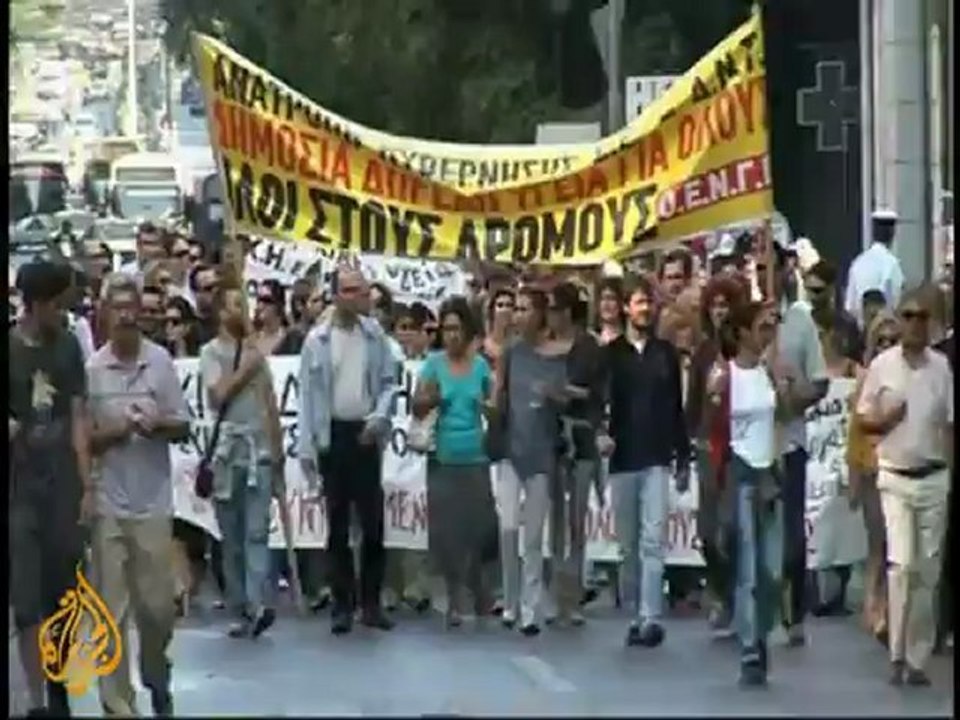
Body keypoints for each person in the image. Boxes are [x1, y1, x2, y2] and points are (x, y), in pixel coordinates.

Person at [86, 273, 190, 716]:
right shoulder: (93, 370)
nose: (126, 316)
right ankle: (117, 702)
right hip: (108, 502)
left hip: (153, 503)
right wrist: (116, 430)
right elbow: (85, 439)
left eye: (132, 308)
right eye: (118, 308)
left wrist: (156, 424)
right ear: (104, 314)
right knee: (110, 610)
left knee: (157, 609)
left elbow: (182, 425)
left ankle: (155, 670)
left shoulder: (160, 362)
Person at [856, 288, 953, 686]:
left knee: (928, 570)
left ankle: (917, 657)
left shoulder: (941, 368)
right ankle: (896, 652)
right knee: (902, 564)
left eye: (922, 317)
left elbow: (950, 424)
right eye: (908, 316)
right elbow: (863, 419)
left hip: (934, 475)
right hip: (895, 475)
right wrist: (885, 421)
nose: (915, 324)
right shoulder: (882, 366)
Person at [10, 260, 93, 717]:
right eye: (58, 305)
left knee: (62, 591)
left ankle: (58, 681)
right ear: (37, 304)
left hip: (61, 482)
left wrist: (86, 483)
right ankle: (37, 699)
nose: (63, 313)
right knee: (26, 599)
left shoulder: (68, 347)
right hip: (18, 486)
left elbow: (78, 415)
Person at [297, 267, 398, 635]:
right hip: (334, 434)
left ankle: (371, 603)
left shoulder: (375, 336)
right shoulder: (318, 341)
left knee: (372, 523)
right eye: (352, 291)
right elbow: (307, 397)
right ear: (337, 295)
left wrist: (380, 418)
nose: (360, 297)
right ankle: (342, 604)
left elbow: (388, 382)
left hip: (365, 432)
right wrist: (307, 446)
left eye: (363, 290)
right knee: (337, 524)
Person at [603, 275, 690, 647]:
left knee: (653, 540)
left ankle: (651, 616)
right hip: (623, 458)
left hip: (656, 456)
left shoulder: (665, 354)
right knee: (628, 545)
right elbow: (600, 403)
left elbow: (675, 406)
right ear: (626, 308)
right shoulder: (611, 355)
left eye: (649, 303)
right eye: (639, 302)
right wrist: (600, 434)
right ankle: (635, 612)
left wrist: (682, 454)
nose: (645, 309)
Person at [706, 301, 786, 687]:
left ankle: (763, 631)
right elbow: (711, 428)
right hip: (740, 471)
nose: (768, 334)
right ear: (741, 333)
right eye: (762, 327)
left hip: (770, 471)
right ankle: (751, 647)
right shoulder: (726, 374)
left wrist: (788, 385)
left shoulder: (770, 371)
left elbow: (787, 412)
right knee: (749, 565)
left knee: (773, 566)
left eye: (772, 327)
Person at [199, 286, 286, 639]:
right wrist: (245, 369)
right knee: (231, 536)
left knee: (256, 531)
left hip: (257, 451)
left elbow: (269, 403)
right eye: (236, 304)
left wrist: (277, 452)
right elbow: (217, 396)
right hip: (226, 453)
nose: (244, 310)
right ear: (222, 312)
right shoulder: (210, 353)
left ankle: (258, 602)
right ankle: (239, 606)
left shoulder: (257, 355)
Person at [413, 297, 496, 627]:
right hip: (442, 458)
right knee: (447, 534)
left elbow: (494, 405)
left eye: (457, 329)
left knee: (476, 531)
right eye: (446, 329)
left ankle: (479, 590)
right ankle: (454, 598)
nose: (451, 336)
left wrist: (489, 408)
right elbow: (417, 406)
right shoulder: (433, 365)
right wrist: (432, 398)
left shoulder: (480, 366)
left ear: (468, 331)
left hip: (475, 457)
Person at [495, 286, 568, 635]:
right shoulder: (511, 352)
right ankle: (510, 601)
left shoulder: (557, 355)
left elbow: (566, 398)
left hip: (541, 451)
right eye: (517, 309)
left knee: (534, 536)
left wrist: (554, 395)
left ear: (540, 314)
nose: (518, 315)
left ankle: (530, 606)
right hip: (511, 448)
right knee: (508, 528)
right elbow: (499, 394)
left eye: (525, 309)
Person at [772, 241, 829, 647]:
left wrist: (794, 399)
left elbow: (820, 381)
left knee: (791, 534)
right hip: (747, 446)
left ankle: (794, 612)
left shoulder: (800, 320)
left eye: (768, 268)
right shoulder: (742, 319)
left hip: (789, 444)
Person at [686, 274, 745, 634]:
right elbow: (693, 403)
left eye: (726, 305)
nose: (720, 312)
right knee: (708, 533)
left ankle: (736, 597)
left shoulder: (746, 353)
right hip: (709, 450)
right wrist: (691, 441)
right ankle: (721, 588)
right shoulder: (704, 354)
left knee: (733, 529)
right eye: (715, 306)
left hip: (739, 450)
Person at [548, 282, 607, 626]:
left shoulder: (588, 347)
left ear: (568, 312)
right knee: (556, 520)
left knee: (576, 520)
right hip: (551, 436)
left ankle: (573, 597)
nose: (550, 317)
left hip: (581, 437)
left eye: (555, 309)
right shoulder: (545, 344)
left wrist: (561, 390)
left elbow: (594, 393)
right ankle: (557, 595)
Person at [847, 310, 900, 647]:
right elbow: (855, 433)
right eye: (881, 341)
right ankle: (873, 605)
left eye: (892, 341)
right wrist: (853, 476)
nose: (887, 346)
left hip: (902, 468)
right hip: (871, 469)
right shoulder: (866, 382)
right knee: (878, 543)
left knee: (899, 547)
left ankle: (892, 609)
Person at [844, 208, 905, 327]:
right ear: (892, 233)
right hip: (884, 331)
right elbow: (896, 304)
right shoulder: (891, 264)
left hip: (861, 330)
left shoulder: (858, 262)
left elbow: (850, 306)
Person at [805, 259, 864, 364]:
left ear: (831, 289)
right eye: (808, 290)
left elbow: (856, 363)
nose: (812, 297)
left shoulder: (847, 325)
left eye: (817, 291)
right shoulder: (803, 323)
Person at [253, 280, 291, 356]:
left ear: (279, 305)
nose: (261, 305)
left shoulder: (288, 339)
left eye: (267, 301)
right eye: (259, 301)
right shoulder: (251, 338)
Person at [595, 277, 625, 346]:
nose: (606, 304)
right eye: (603, 299)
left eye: (611, 298)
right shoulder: (590, 340)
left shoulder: (628, 342)